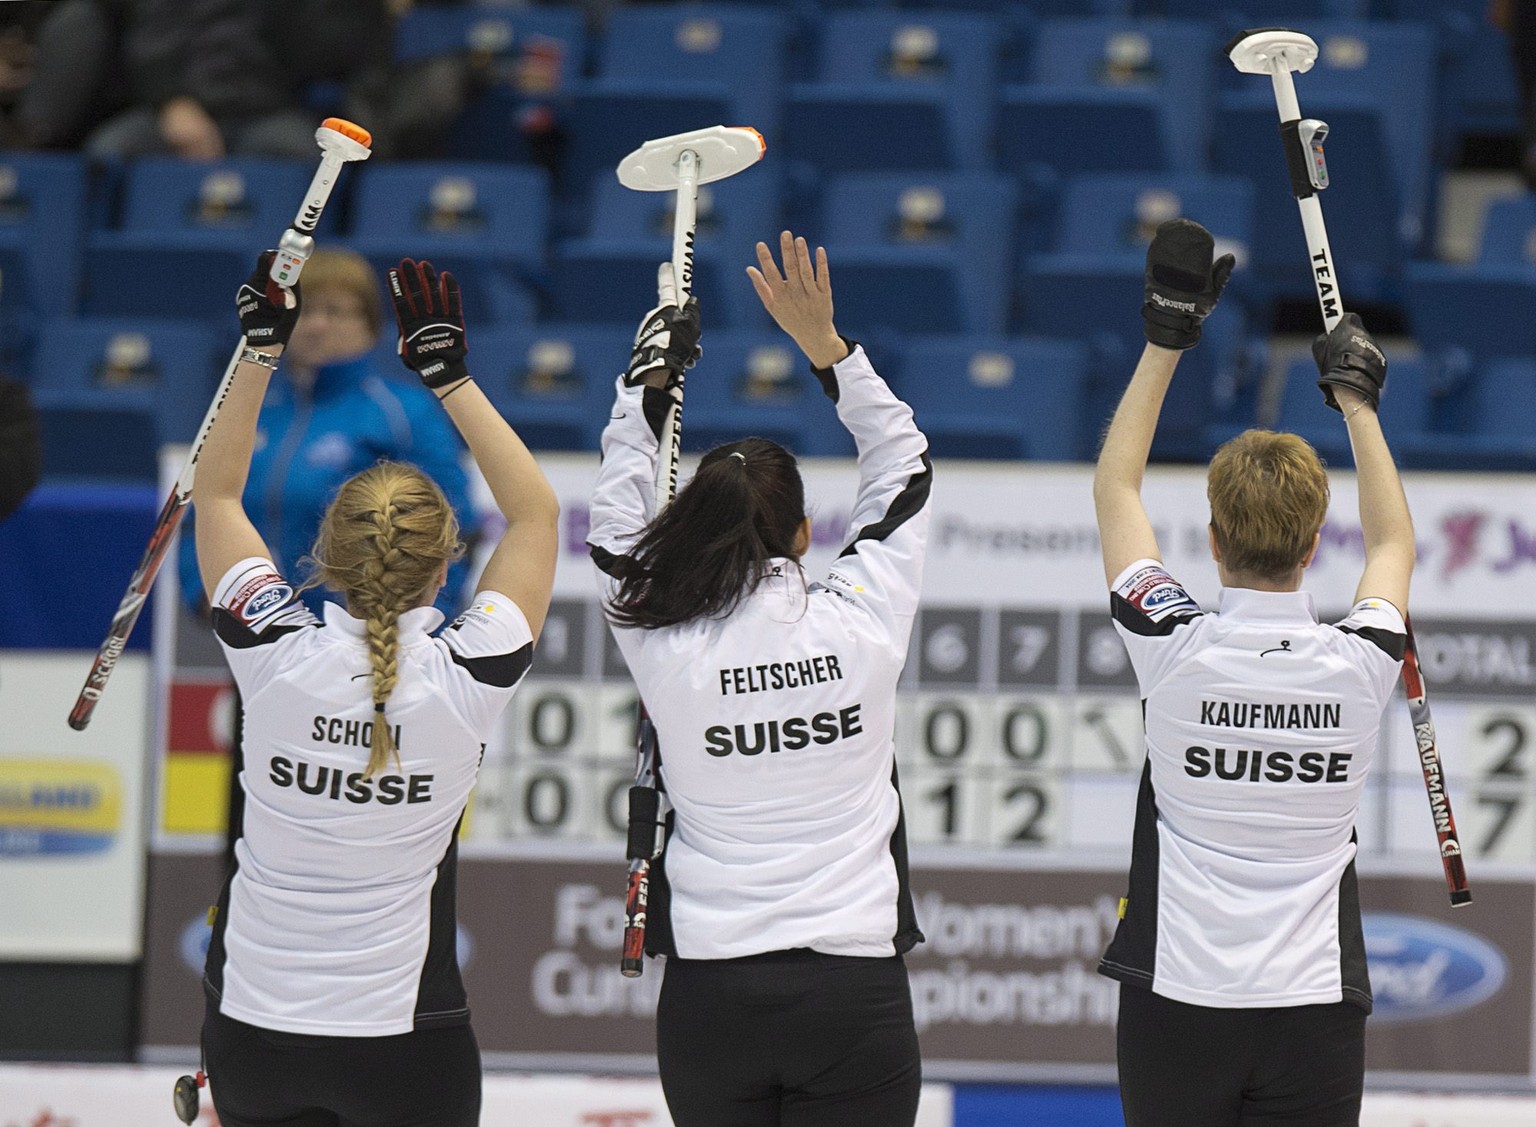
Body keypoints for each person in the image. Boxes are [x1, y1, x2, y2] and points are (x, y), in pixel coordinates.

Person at [192, 251, 558, 1126]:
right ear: (445, 567)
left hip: (251, 1035)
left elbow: (216, 489)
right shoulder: (472, 673)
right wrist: (448, 376)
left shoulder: (271, 650)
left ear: (324, 550)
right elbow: (538, 513)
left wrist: (257, 351)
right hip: (404, 1045)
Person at [587, 231, 932, 1127]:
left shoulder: (660, 633)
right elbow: (904, 466)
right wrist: (828, 349)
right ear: (806, 533)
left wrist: (647, 390)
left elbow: (615, 527)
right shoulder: (862, 616)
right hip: (852, 992)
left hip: (712, 999)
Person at [1092, 219, 1414, 1127]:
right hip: (1312, 1009)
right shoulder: (1361, 661)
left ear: (1211, 541)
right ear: (1318, 544)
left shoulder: (1171, 640)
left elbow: (1116, 488)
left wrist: (1166, 338)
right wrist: (1359, 406)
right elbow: (1394, 540)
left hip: (1177, 1005)